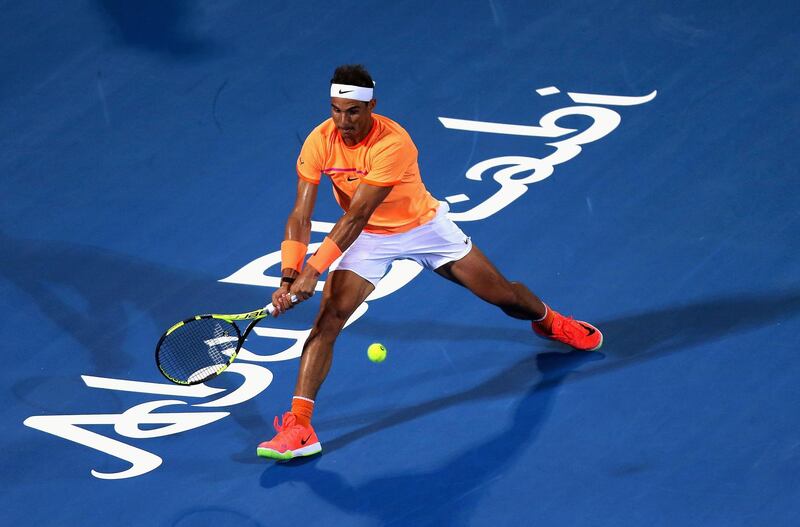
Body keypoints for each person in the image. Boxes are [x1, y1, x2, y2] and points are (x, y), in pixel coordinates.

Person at [256, 64, 602, 460]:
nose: (343, 120)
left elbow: (357, 215)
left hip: (422, 228)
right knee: (329, 317)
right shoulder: (320, 140)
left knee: (504, 297)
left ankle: (548, 319)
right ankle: (300, 425)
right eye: (336, 110)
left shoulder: (393, 143)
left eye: (352, 111)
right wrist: (289, 274)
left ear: (372, 107)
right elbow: (301, 214)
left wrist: (314, 270)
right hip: (368, 241)